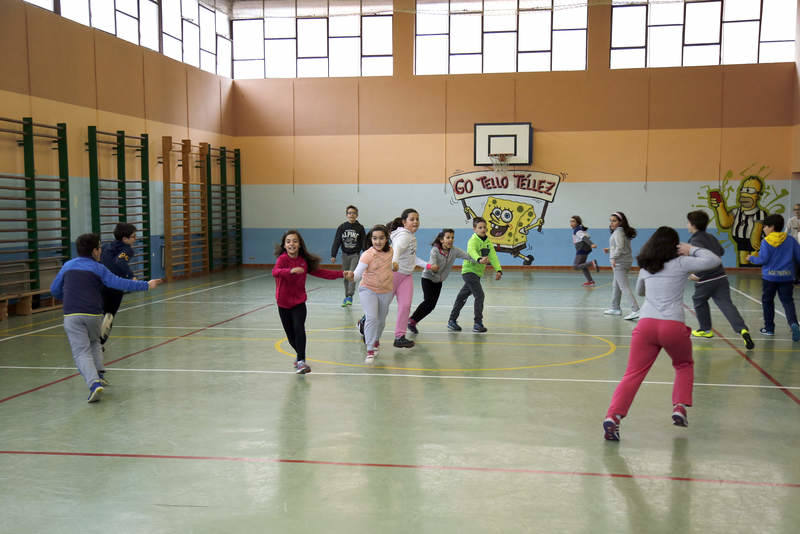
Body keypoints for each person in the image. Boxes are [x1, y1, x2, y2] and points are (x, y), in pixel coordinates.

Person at [603, 227, 721, 441]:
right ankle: (679, 406)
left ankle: (613, 416)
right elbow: (713, 260)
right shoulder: (682, 262)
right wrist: (691, 249)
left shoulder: (647, 267)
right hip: (672, 326)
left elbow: (640, 291)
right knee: (683, 365)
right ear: (675, 245)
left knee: (633, 374)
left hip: (646, 325)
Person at [49, 233, 161, 402]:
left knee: (81, 352)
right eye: (99, 248)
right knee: (95, 342)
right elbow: (118, 283)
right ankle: (99, 374)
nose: (101, 251)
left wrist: (69, 297)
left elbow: (55, 290)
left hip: (72, 314)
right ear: (94, 251)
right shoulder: (98, 268)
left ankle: (94, 383)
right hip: (94, 314)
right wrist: (146, 285)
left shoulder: (67, 266)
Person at [273, 230, 352, 374]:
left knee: (299, 329)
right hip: (283, 303)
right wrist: (290, 271)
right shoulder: (283, 259)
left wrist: (342, 274)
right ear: (284, 245)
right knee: (291, 336)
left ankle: (301, 361)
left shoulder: (303, 261)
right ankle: (299, 356)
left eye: (295, 241)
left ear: (300, 244)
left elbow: (321, 272)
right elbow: (275, 272)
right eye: (288, 241)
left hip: (298, 302)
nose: (292, 244)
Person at [686, 210, 754, 350]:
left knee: (698, 300)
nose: (687, 225)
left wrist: (697, 274)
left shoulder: (694, 240)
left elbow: (702, 260)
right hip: (721, 277)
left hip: (706, 279)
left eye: (688, 222)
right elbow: (721, 252)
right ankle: (742, 329)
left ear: (693, 225)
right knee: (726, 305)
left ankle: (705, 330)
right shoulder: (710, 236)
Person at [745, 213, 800, 341]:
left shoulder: (766, 241)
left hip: (769, 278)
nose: (764, 228)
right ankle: (793, 324)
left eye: (765, 226)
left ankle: (769, 328)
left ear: (772, 227)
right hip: (786, 277)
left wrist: (751, 258)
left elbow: (762, 260)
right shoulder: (790, 240)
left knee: (767, 301)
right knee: (787, 301)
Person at [407, 229, 472, 334]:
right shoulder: (435, 250)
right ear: (442, 240)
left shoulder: (454, 251)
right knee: (428, 301)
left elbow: (467, 256)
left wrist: (479, 260)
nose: (450, 240)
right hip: (428, 278)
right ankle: (411, 320)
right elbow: (432, 262)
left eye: (452, 237)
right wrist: (433, 267)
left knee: (431, 305)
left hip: (439, 281)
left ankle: (413, 321)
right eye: (448, 237)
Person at [447, 216, 502, 333]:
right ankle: (477, 323)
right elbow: (471, 251)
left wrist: (498, 270)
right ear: (474, 229)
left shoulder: (488, 242)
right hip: (469, 272)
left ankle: (452, 320)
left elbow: (493, 256)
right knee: (480, 295)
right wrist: (479, 259)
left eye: (484, 227)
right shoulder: (472, 240)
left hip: (477, 274)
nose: (483, 229)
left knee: (462, 296)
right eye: (480, 227)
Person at [353, 225, 397, 363]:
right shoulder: (367, 255)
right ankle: (370, 349)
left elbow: (390, 265)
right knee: (372, 318)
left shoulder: (391, 251)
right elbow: (357, 274)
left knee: (381, 320)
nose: (378, 241)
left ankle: (376, 340)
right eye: (375, 238)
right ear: (371, 239)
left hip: (386, 290)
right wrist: (351, 276)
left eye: (381, 238)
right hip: (368, 289)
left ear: (386, 239)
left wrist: (395, 266)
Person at [388, 208, 431, 348]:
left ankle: (399, 336)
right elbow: (397, 250)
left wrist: (428, 266)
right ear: (404, 222)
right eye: (412, 219)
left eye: (417, 219)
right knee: (382, 306)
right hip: (393, 274)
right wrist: (394, 262)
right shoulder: (404, 236)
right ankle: (365, 322)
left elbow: (412, 258)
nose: (415, 222)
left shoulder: (411, 236)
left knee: (405, 306)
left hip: (406, 276)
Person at [99, 222, 137, 347]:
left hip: (100, 284)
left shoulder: (105, 247)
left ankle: (92, 340)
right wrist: (131, 276)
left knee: (100, 313)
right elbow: (120, 262)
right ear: (125, 239)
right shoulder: (127, 249)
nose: (135, 239)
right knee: (109, 316)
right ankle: (100, 344)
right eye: (133, 236)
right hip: (115, 286)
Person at [603, 211, 640, 320]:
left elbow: (620, 247)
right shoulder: (623, 231)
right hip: (625, 260)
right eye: (611, 221)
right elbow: (622, 247)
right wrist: (610, 249)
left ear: (620, 222)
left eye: (614, 221)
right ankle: (615, 308)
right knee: (616, 285)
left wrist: (613, 257)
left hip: (620, 262)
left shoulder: (618, 231)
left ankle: (636, 309)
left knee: (624, 286)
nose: (612, 223)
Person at [330, 205, 366, 307]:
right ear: (347, 215)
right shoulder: (342, 227)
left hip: (355, 255)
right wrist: (333, 254)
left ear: (357, 215)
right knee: (346, 275)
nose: (351, 215)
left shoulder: (360, 228)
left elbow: (363, 242)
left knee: (352, 274)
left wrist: (367, 254)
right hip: (345, 255)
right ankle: (346, 296)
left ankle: (350, 295)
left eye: (354, 213)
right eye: (349, 213)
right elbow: (337, 241)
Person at [570, 215, 599, 287]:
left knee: (576, 266)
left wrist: (591, 244)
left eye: (573, 221)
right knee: (583, 266)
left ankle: (592, 263)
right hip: (585, 248)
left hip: (582, 249)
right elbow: (587, 236)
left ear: (577, 222)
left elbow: (584, 238)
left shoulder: (577, 230)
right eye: (570, 221)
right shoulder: (580, 229)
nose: (571, 223)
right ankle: (590, 281)